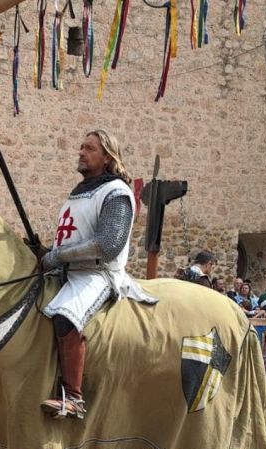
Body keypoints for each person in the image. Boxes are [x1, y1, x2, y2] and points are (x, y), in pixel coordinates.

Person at [37, 130, 156, 419]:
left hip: (98, 274)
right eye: (80, 147)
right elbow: (70, 238)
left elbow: (107, 245)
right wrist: (42, 251)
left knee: (66, 315)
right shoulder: (78, 192)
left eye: (89, 148)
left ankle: (74, 398)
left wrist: (57, 256)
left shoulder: (116, 192)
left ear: (107, 157)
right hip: (68, 271)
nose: (80, 152)